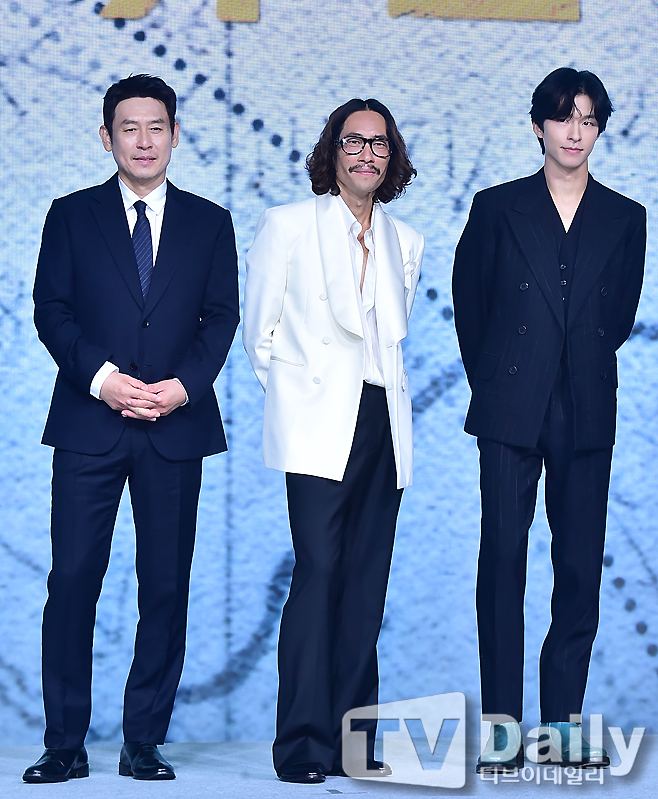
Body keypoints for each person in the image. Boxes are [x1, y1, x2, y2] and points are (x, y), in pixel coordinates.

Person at [23, 74, 239, 783]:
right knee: (73, 581)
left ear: (176, 134)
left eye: (156, 127)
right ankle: (64, 743)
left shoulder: (210, 222)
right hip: (90, 422)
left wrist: (184, 387)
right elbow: (51, 309)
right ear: (106, 136)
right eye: (128, 128)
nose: (143, 141)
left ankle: (144, 741)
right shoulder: (71, 215)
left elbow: (221, 317)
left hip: (175, 426)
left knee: (165, 586)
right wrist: (102, 379)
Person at [452, 67, 646, 772]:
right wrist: (502, 378)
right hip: (511, 404)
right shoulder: (497, 207)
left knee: (579, 568)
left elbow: (618, 317)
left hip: (587, 406)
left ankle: (562, 727)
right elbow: (471, 306)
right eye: (563, 117)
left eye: (588, 120)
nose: (575, 131)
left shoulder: (626, 217)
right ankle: (502, 730)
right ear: (538, 126)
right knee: (503, 560)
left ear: (599, 131)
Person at [243, 98, 423, 783]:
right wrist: (300, 401)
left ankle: (354, 744)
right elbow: (259, 334)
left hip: (383, 419)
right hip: (319, 419)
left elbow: (389, 345)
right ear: (333, 150)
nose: (366, 154)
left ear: (391, 156)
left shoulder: (406, 240)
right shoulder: (288, 224)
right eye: (354, 141)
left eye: (379, 143)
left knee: (365, 585)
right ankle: (301, 745)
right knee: (318, 575)